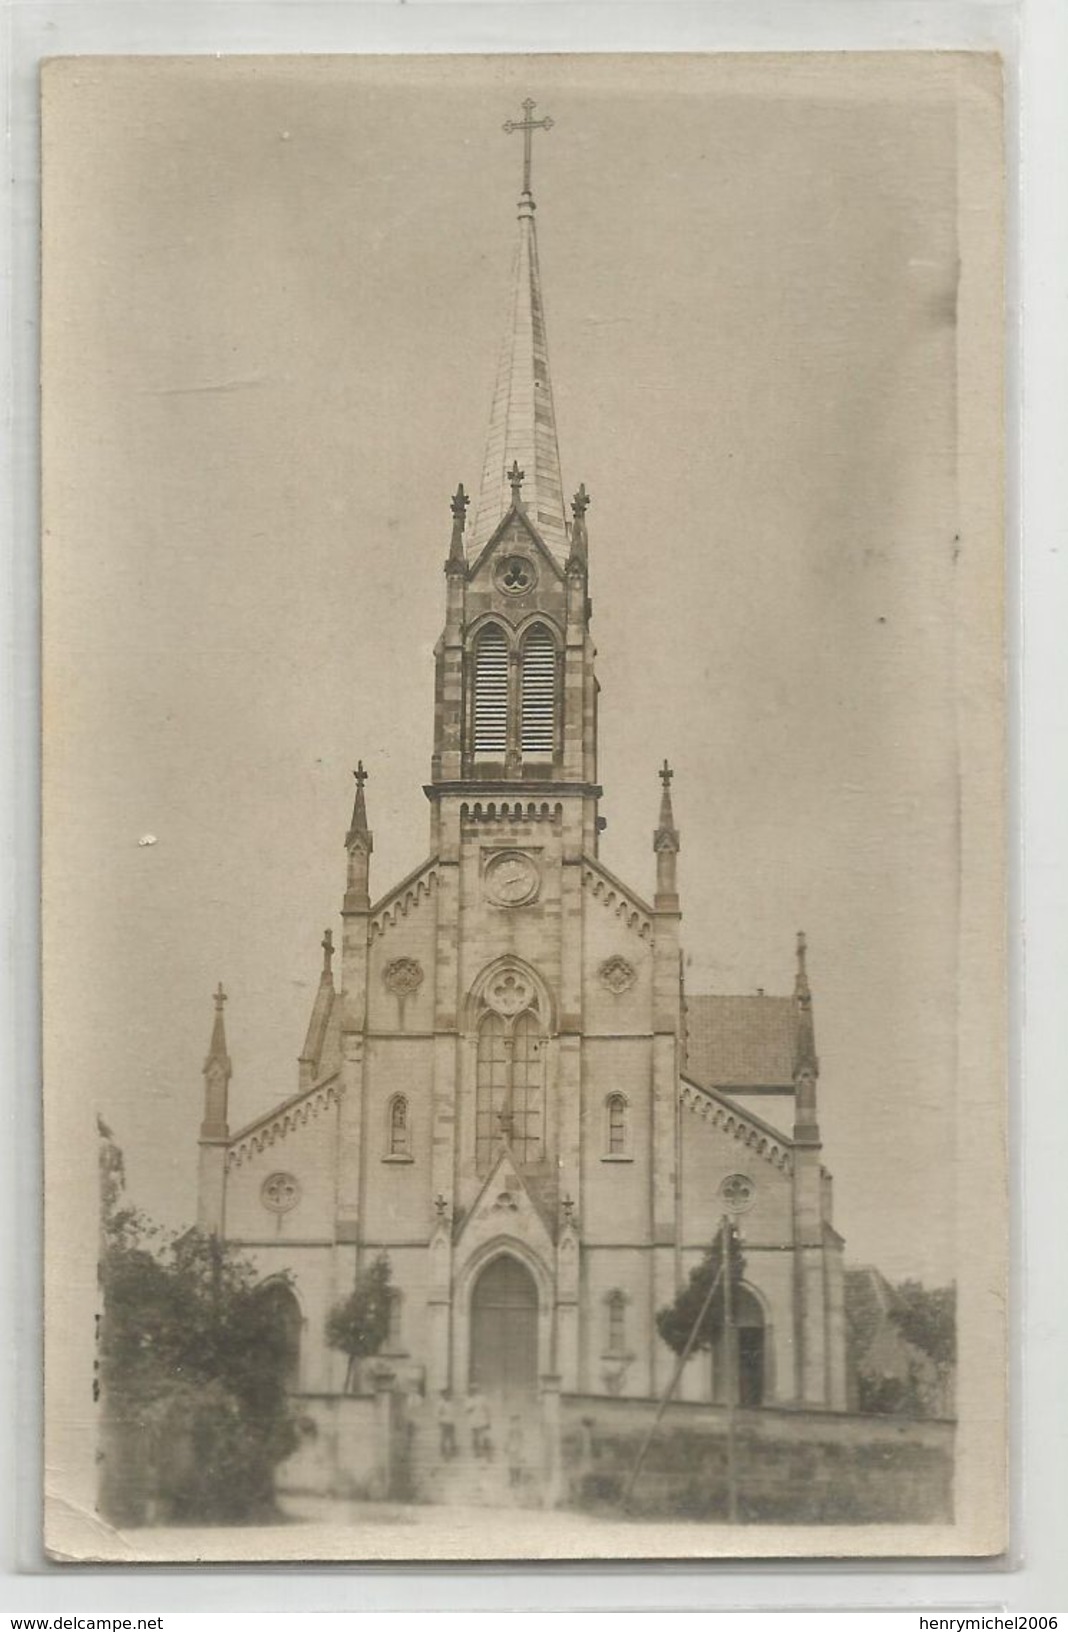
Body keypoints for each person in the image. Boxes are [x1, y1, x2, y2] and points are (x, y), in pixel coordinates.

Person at [465, 1387, 492, 1460]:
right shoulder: (468, 1399)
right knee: (475, 1438)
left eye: (473, 1390)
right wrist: (471, 1407)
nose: (471, 1391)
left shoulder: (482, 1398)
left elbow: (487, 1409)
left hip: (482, 1421)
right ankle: (476, 1452)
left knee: (485, 1437)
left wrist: (488, 1421)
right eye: (470, 1390)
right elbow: (467, 1410)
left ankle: (487, 1454)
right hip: (473, 1422)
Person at [505, 1414, 525, 1490]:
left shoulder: (520, 1432)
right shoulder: (510, 1432)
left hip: (518, 1450)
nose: (516, 1425)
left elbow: (522, 1441)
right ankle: (512, 1479)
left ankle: (518, 1479)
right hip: (511, 1450)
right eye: (514, 1423)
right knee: (511, 1465)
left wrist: (522, 1450)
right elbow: (507, 1440)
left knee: (518, 1465)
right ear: (511, 1423)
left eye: (518, 1423)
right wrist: (506, 1447)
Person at [436, 1389, 457, 1461]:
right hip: (444, 1422)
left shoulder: (451, 1403)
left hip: (451, 1422)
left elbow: (453, 1412)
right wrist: (439, 1421)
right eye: (446, 1394)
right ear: (442, 1395)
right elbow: (436, 1413)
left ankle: (453, 1451)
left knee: (452, 1438)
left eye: (449, 1394)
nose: (448, 1396)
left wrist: (453, 1421)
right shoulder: (440, 1403)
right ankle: (443, 1452)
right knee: (443, 1438)